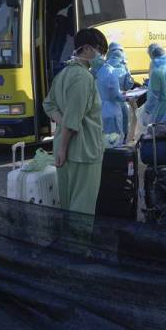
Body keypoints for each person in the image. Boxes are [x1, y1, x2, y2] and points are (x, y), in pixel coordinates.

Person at [43, 28, 106, 218]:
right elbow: (73, 121)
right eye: (100, 50)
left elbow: (48, 105)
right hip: (83, 151)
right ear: (86, 49)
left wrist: (61, 124)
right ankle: (80, 247)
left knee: (68, 203)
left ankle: (70, 245)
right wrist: (63, 145)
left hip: (66, 151)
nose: (101, 56)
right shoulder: (83, 78)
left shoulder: (63, 74)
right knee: (82, 208)